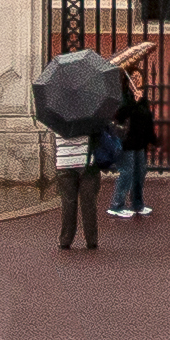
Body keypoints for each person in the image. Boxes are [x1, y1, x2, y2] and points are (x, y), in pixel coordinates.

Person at [99, 54, 153, 227]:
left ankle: (138, 204)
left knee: (140, 173)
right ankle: (116, 204)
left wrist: (152, 138)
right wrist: (133, 103)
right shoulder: (123, 96)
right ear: (127, 80)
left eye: (139, 77)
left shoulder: (140, 95)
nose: (137, 79)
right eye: (134, 77)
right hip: (126, 141)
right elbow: (119, 116)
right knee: (127, 172)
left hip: (139, 141)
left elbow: (146, 118)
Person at [53, 89, 104, 251]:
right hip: (86, 162)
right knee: (88, 203)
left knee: (68, 203)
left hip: (64, 162)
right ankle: (91, 239)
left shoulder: (55, 115)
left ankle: (65, 239)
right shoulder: (88, 114)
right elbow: (96, 133)